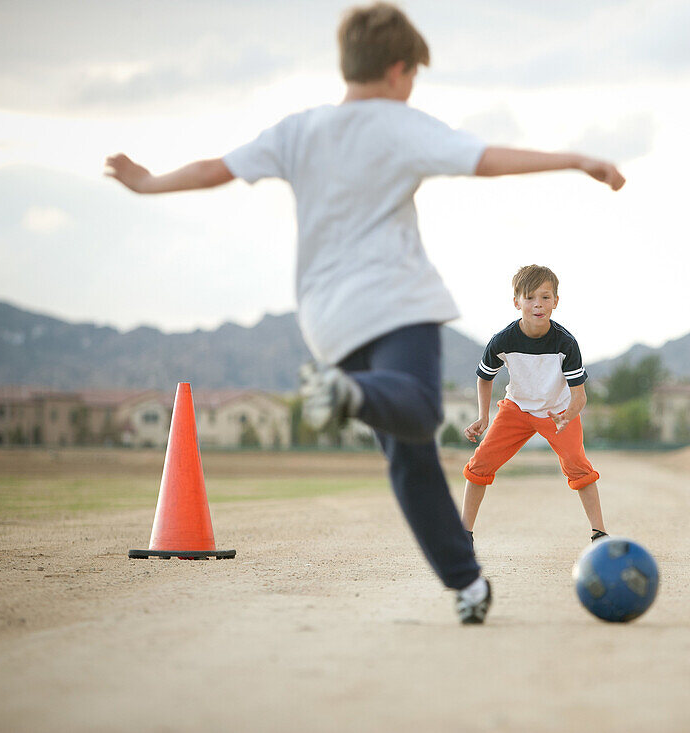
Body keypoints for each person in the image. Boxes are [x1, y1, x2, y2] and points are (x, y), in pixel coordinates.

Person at [104, 3, 624, 625]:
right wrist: (574, 159)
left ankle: (466, 583)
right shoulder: (400, 125)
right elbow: (487, 158)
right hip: (399, 303)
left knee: (407, 453)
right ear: (399, 71)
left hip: (328, 319)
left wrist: (149, 182)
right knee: (419, 414)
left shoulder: (299, 128)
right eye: (412, 80)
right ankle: (354, 396)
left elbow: (216, 169)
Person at [462, 265, 607, 546]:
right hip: (516, 410)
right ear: (517, 301)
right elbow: (484, 377)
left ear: (556, 302)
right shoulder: (502, 340)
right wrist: (483, 416)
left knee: (579, 467)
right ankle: (464, 534)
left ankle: (599, 534)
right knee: (479, 465)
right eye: (529, 297)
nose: (537, 304)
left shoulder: (566, 343)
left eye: (545, 297)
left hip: (558, 412)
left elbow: (580, 396)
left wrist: (568, 416)